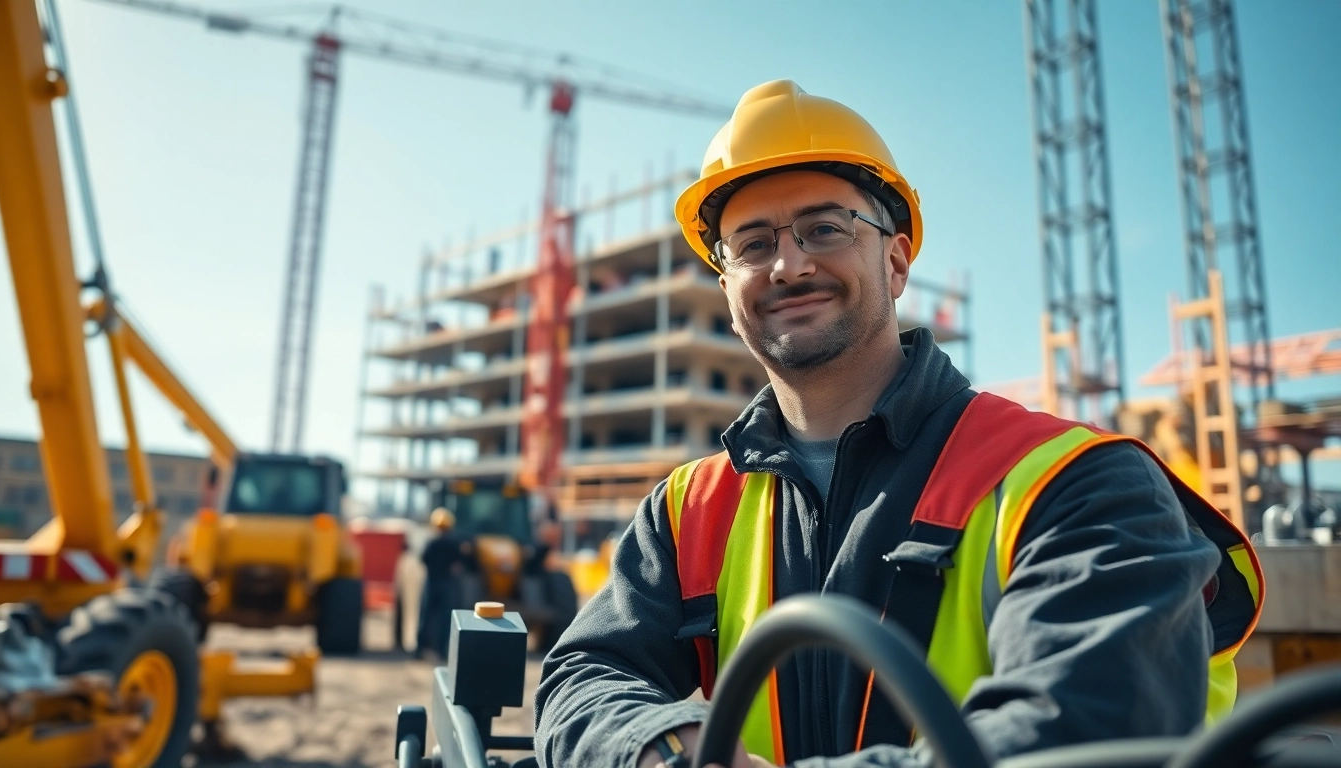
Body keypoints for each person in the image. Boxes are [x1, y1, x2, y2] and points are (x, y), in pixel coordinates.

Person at [533, 80, 1262, 768]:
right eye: (752, 244)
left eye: (824, 228)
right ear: (727, 287)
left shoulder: (1074, 483)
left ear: (897, 259)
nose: (786, 265)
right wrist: (667, 745)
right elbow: (582, 673)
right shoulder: (689, 511)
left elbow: (1085, 730)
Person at [416, 507, 471, 660]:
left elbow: (423, 559)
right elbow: (460, 564)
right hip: (446, 584)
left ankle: (419, 650)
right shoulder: (454, 544)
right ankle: (441, 651)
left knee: (425, 617)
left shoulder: (431, 543)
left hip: (431, 583)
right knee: (444, 619)